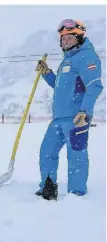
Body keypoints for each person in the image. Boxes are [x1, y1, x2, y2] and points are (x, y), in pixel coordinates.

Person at [34, 19, 103, 200]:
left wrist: (84, 111)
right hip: (59, 118)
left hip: (76, 118)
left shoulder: (87, 57)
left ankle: (77, 194)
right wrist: (46, 72)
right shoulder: (67, 60)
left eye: (70, 38)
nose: (65, 41)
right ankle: (48, 189)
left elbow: (94, 86)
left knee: (76, 156)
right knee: (47, 152)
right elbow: (59, 86)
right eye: (63, 39)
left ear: (79, 37)